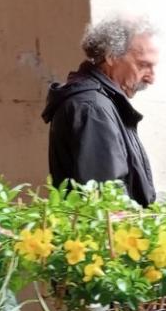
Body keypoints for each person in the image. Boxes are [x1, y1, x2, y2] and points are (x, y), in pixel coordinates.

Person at [41, 14, 158, 205]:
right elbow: (107, 201)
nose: (151, 78)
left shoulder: (101, 102)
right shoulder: (93, 108)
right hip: (110, 234)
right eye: (143, 65)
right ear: (111, 56)